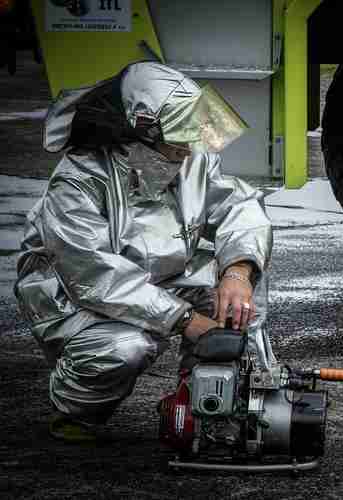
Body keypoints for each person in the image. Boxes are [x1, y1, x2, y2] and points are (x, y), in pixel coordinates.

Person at [13, 62, 272, 441]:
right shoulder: (76, 183)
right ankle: (74, 411)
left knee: (238, 299)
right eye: (179, 136)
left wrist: (238, 272)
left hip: (160, 278)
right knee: (124, 348)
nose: (190, 146)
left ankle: (207, 397)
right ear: (140, 132)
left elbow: (240, 206)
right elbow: (95, 278)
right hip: (75, 299)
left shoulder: (188, 158)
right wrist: (188, 321)